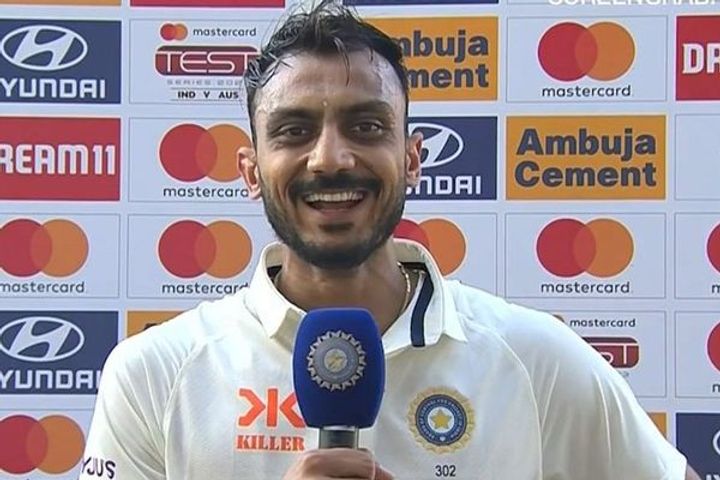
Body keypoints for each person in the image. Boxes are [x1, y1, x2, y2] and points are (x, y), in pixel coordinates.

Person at [80, 1, 700, 479]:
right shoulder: (154, 373)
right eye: (294, 130)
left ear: (411, 159)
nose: (330, 158)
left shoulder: (536, 360)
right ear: (250, 171)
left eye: (366, 126)